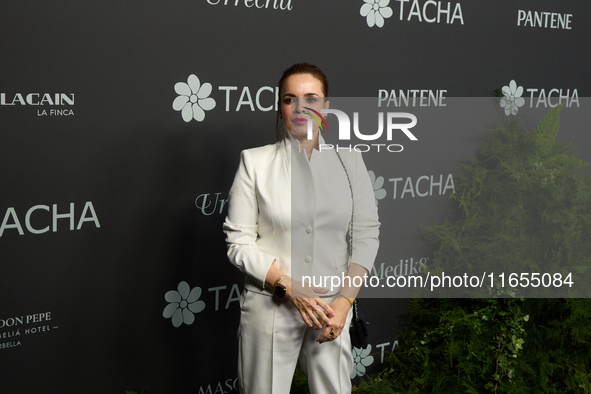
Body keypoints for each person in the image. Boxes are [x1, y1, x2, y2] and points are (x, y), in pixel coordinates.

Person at [223, 63, 380, 394]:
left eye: (311, 98)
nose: (300, 108)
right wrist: (289, 287)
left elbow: (366, 235)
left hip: (331, 310)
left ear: (326, 106)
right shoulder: (255, 162)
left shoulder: (350, 162)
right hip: (271, 306)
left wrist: (344, 303)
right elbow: (238, 244)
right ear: (280, 107)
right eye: (289, 98)